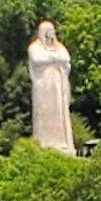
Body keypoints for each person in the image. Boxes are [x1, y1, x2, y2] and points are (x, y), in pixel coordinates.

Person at [28, 21, 76, 156]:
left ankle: (62, 143)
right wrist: (55, 59)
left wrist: (53, 58)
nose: (51, 34)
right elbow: (37, 59)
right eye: (48, 31)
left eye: (52, 31)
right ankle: (43, 142)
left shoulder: (60, 47)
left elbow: (66, 59)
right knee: (44, 112)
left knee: (60, 113)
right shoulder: (35, 47)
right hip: (43, 87)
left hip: (59, 87)